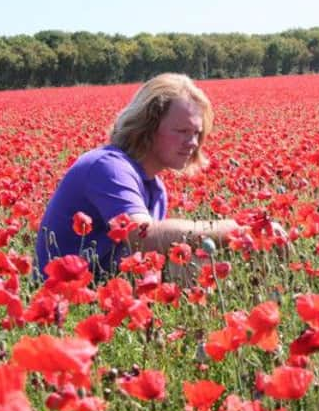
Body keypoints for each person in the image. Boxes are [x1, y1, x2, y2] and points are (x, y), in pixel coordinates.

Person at [36, 73, 281, 279]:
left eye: (197, 133)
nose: (193, 143)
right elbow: (145, 237)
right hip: (65, 299)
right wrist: (234, 229)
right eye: (182, 131)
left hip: (107, 287)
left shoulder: (155, 188)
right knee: (198, 261)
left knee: (221, 255)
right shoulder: (107, 167)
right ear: (148, 127)